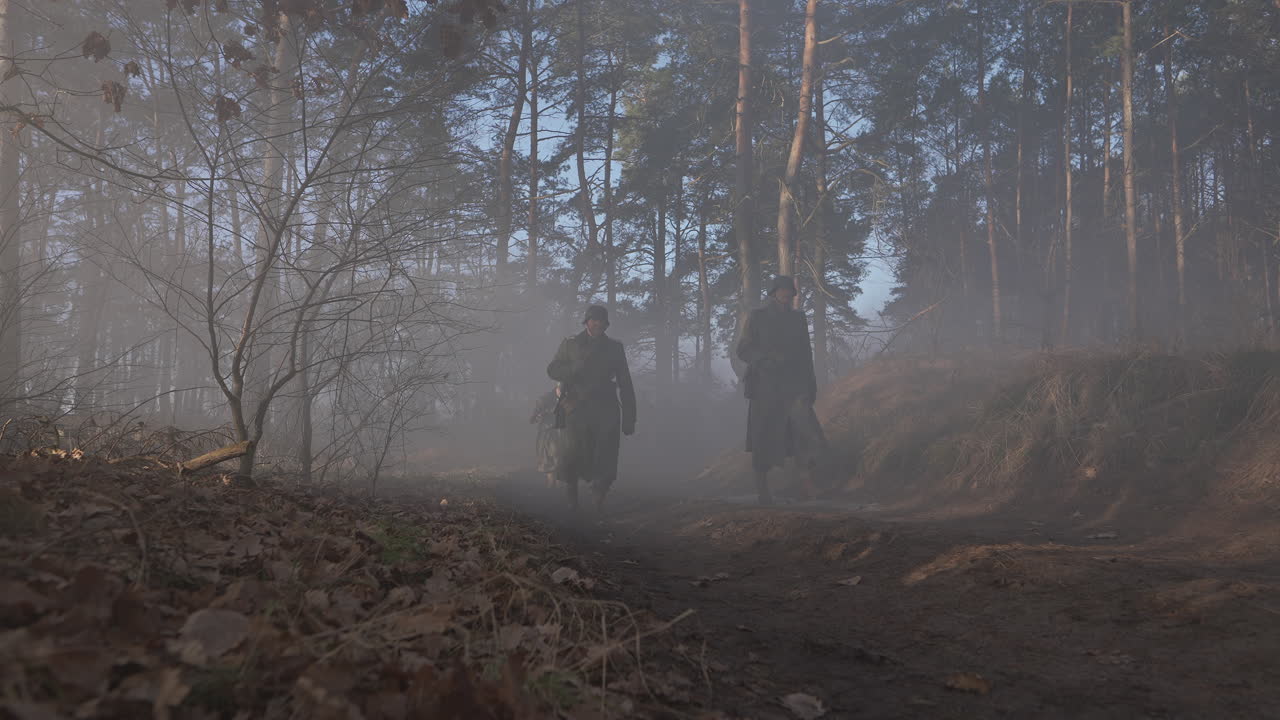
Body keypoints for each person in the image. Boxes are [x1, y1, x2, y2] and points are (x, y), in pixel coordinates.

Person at [736, 275, 828, 505]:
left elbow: (806, 354)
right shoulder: (757, 317)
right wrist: (764, 359)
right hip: (765, 387)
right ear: (774, 291)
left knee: (805, 432)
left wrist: (811, 384)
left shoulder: (798, 319)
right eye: (783, 290)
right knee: (764, 435)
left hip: (795, 384)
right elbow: (743, 349)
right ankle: (762, 488)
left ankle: (807, 485)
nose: (786, 294)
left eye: (790, 290)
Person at [546, 305, 637, 512]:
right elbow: (552, 369)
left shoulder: (615, 348)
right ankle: (572, 497)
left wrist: (630, 417)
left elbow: (625, 382)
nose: (597, 324)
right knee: (572, 451)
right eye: (593, 320)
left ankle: (599, 495)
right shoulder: (570, 344)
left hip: (606, 407)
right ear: (586, 321)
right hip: (576, 406)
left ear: (606, 324)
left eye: (601, 321)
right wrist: (571, 369)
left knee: (607, 452)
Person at [530, 385, 562, 488]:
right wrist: (541, 414)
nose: (563, 391)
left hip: (563, 432)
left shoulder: (570, 398)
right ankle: (551, 485)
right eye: (561, 388)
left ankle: (557, 485)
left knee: (560, 460)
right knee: (550, 459)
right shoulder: (545, 399)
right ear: (557, 388)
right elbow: (533, 418)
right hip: (549, 433)